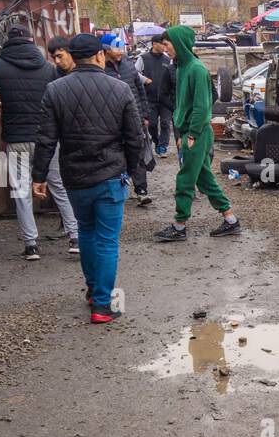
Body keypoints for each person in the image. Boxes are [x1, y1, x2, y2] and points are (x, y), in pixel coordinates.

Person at [32, 33, 142, 324]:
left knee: (87, 232)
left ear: (74, 56)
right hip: (110, 176)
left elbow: (46, 139)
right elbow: (134, 137)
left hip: (75, 177)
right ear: (99, 56)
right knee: (107, 240)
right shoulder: (120, 89)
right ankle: (103, 307)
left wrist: (38, 176)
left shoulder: (55, 90)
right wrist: (135, 173)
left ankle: (94, 291)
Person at [0, 26, 79, 258]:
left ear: (8, 43)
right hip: (46, 138)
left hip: (17, 138)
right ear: (31, 43)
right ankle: (75, 237)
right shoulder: (48, 68)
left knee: (21, 190)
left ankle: (31, 245)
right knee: (59, 186)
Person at [155, 24, 240, 241]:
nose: (166, 49)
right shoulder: (182, 67)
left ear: (179, 43)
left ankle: (179, 226)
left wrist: (191, 135)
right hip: (191, 132)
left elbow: (203, 107)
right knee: (203, 179)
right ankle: (231, 220)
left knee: (185, 179)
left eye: (167, 45)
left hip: (198, 133)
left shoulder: (196, 69)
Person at [100, 32, 153, 207]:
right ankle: (117, 190)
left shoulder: (129, 66)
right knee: (115, 156)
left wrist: (145, 115)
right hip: (112, 122)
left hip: (135, 118)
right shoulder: (101, 70)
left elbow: (141, 91)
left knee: (137, 153)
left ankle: (141, 191)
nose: (120, 51)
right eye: (117, 47)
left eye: (121, 47)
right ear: (106, 50)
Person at [139, 33, 176, 156]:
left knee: (165, 123)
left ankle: (162, 147)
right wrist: (145, 80)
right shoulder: (143, 58)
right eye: (162, 44)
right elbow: (134, 72)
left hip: (165, 98)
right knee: (152, 124)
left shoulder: (167, 59)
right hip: (150, 98)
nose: (164, 47)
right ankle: (156, 141)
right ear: (154, 44)